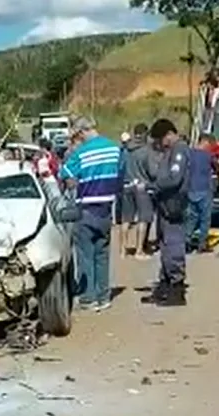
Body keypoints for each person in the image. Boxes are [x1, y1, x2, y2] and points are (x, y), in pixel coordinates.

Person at [58, 116, 122, 312]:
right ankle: (104, 296)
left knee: (85, 254)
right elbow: (121, 175)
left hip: (86, 207)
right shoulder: (115, 149)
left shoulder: (82, 153)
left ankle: (88, 298)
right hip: (107, 207)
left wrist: (75, 183)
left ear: (82, 131)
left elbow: (65, 173)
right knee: (102, 254)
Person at [142, 118, 190, 307]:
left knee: (173, 244)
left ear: (169, 134)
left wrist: (154, 186)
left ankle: (176, 288)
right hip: (165, 204)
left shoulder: (179, 151)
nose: (160, 145)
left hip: (173, 203)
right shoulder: (172, 150)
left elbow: (174, 179)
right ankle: (165, 284)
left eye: (161, 140)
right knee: (164, 244)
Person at [119, 123, 154, 260]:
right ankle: (139, 250)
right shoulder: (146, 150)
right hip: (141, 187)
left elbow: (120, 166)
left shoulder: (126, 149)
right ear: (146, 134)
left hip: (126, 185)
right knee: (143, 219)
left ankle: (123, 250)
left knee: (126, 220)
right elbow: (151, 170)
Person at [185, 133, 216, 253]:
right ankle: (202, 244)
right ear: (205, 142)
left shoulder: (189, 153)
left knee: (192, 217)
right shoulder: (208, 156)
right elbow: (216, 167)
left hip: (191, 189)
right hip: (204, 189)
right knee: (205, 218)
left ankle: (186, 240)